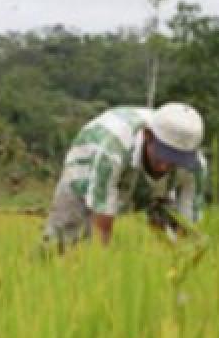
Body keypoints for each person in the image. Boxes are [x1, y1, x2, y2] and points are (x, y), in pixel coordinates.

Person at [42, 102, 206, 251]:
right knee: (62, 236)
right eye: (162, 156)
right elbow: (102, 227)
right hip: (89, 160)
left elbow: (187, 224)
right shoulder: (113, 151)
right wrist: (100, 272)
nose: (164, 166)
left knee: (171, 229)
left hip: (146, 178)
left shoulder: (195, 166)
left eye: (175, 160)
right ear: (148, 136)